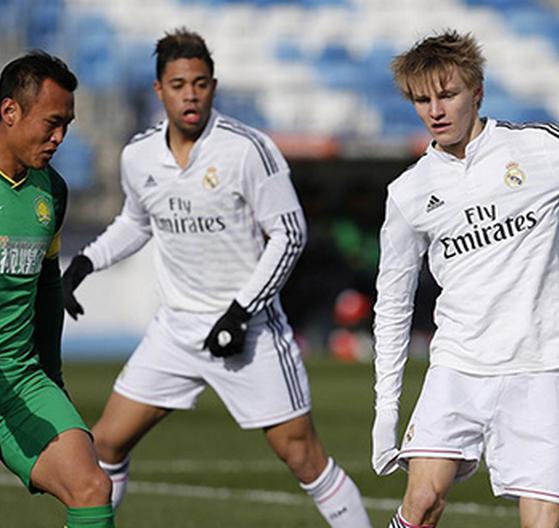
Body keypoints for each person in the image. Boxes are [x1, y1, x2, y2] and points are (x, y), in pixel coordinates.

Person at [61, 29, 371, 527]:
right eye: (179, 84)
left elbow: (289, 234)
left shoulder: (247, 150)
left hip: (249, 332)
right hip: (176, 329)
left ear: (214, 87)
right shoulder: (138, 156)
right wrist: (83, 265)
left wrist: (240, 311)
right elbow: (136, 222)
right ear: (159, 90)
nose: (191, 94)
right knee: (106, 443)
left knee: (303, 457)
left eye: (201, 84)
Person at [371, 31, 559, 528]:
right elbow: (392, 303)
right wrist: (386, 407)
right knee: (421, 505)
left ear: (477, 91)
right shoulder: (408, 192)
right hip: (458, 366)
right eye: (422, 100)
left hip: (542, 364)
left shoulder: (536, 146)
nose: (436, 109)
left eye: (448, 94)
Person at [0, 52, 115, 527]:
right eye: (52, 123)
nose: (60, 137)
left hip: (20, 378)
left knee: (92, 487)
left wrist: (53, 377)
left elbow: (46, 291)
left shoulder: (52, 191)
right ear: (10, 112)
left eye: (66, 125)